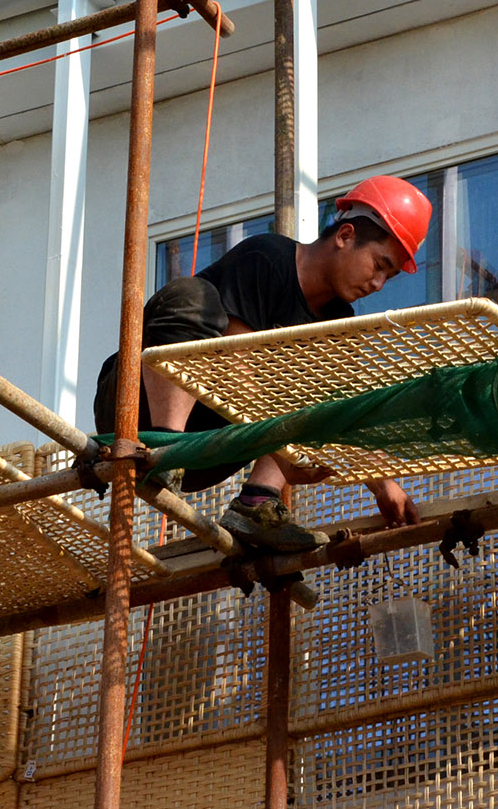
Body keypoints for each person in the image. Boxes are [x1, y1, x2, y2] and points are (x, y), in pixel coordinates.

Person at [93, 175, 430, 553]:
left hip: (211, 451)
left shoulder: (337, 332)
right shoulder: (266, 258)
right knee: (192, 295)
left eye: (390, 275)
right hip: (132, 409)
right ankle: (168, 451)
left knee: (325, 378)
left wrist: (383, 483)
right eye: (379, 264)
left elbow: (340, 410)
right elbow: (236, 361)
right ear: (345, 236)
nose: (379, 284)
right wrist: (287, 442)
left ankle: (257, 502)